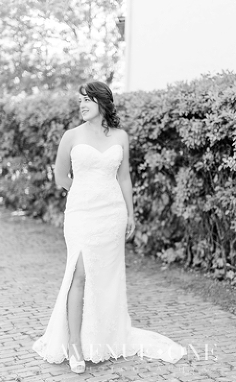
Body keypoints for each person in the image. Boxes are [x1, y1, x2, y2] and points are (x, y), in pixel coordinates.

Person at [32, 81, 186, 372]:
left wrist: (130, 214)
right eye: (80, 100)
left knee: (104, 277)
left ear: (102, 102)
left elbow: (124, 177)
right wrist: (85, 192)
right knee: (78, 274)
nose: (82, 105)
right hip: (81, 214)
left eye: (87, 100)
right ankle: (74, 346)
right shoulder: (71, 136)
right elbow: (61, 177)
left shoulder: (120, 136)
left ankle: (100, 338)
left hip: (112, 215)